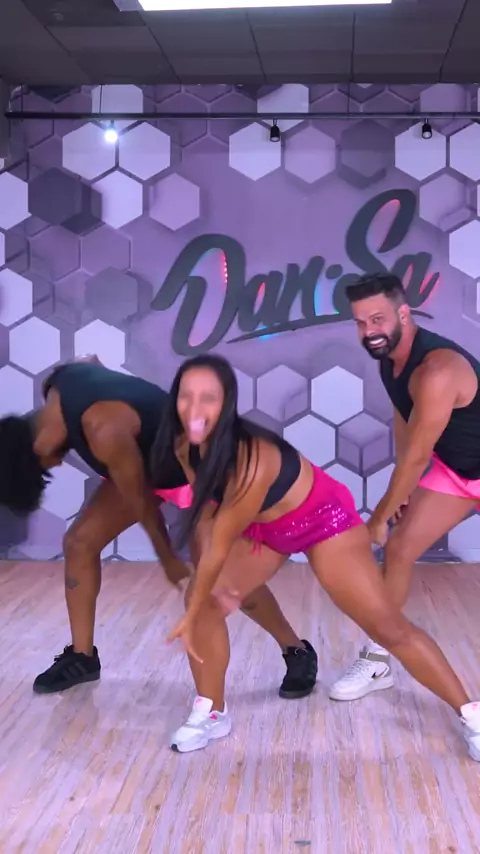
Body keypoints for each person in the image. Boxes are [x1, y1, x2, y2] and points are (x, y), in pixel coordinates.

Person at [150, 352, 480, 758]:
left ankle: (471, 715)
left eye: (208, 398)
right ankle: (211, 711)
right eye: (186, 396)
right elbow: (207, 512)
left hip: (324, 523)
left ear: (227, 404)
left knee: (388, 628)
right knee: (204, 603)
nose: (194, 409)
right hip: (266, 527)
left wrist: (196, 601)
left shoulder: (253, 458)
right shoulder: (185, 446)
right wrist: (200, 601)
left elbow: (220, 538)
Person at [0, 358, 317, 698]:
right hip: (145, 462)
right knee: (79, 542)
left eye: (45, 468)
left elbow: (142, 502)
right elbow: (90, 363)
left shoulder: (103, 429)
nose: (58, 464)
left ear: (31, 454)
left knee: (221, 576)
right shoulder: (59, 383)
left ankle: (295, 649)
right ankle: (82, 656)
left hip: (197, 464)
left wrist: (167, 559)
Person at [329, 272, 480, 703]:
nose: (369, 331)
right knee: (398, 550)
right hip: (458, 473)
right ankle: (378, 660)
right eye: (361, 323)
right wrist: (405, 488)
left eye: (377, 319)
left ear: (403, 313)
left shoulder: (438, 370)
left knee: (387, 534)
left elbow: (418, 455)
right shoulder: (389, 359)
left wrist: (379, 517)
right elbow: (406, 423)